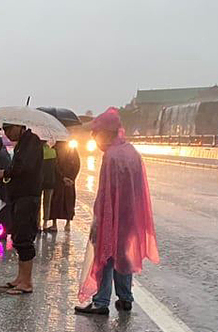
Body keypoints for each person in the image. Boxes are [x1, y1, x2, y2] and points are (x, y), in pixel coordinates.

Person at [75, 108, 159, 315]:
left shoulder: (111, 156)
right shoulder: (132, 152)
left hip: (112, 216)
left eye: (96, 134)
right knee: (124, 256)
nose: (95, 139)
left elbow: (105, 193)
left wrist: (98, 220)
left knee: (105, 256)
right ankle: (125, 297)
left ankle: (101, 301)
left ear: (106, 133)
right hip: (130, 216)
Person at [0, 122, 43, 295]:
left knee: (24, 238)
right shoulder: (22, 144)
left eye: (9, 129)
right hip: (19, 197)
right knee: (17, 236)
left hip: (28, 197)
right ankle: (20, 278)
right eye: (5, 130)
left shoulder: (32, 142)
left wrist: (6, 172)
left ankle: (26, 282)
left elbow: (24, 167)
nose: (7, 133)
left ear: (19, 126)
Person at [48, 140, 80, 231]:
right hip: (69, 181)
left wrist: (62, 177)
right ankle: (68, 224)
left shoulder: (54, 148)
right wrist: (72, 178)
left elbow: (54, 165)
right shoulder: (72, 149)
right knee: (69, 200)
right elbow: (77, 164)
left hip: (58, 180)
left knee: (56, 200)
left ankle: (54, 224)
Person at [40, 142, 57, 232]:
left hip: (39, 181)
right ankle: (45, 223)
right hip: (50, 180)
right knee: (47, 203)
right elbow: (55, 167)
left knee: (38, 203)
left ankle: (37, 223)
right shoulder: (53, 152)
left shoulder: (38, 152)